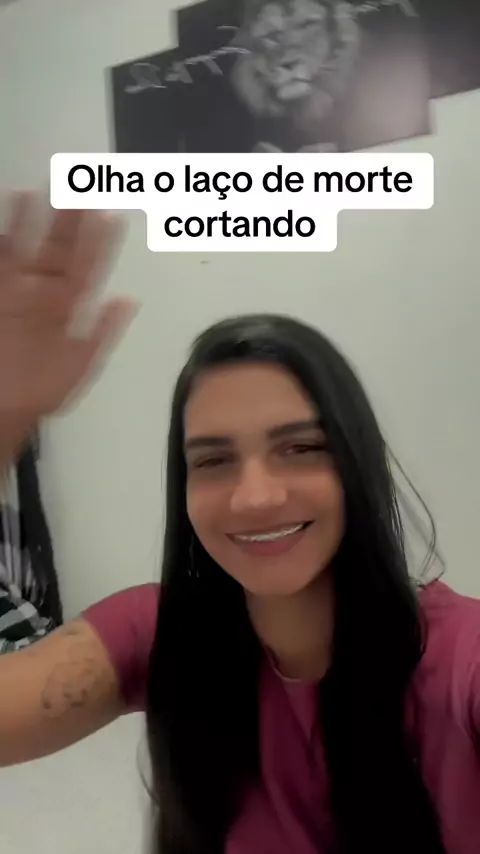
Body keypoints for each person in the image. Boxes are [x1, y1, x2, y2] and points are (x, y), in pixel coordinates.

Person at [0, 196, 479, 854]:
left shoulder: (459, 660)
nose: (255, 497)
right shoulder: (156, 633)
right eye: (214, 460)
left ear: (356, 463)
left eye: (300, 447)